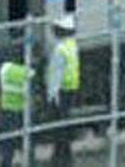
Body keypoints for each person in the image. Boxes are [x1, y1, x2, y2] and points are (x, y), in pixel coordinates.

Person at [46, 14, 81, 166]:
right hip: (71, 88)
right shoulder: (72, 45)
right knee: (64, 123)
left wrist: (51, 94)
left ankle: (61, 158)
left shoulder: (60, 49)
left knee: (59, 125)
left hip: (60, 91)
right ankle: (63, 156)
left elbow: (55, 73)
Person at [0, 55, 36, 167]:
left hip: (6, 109)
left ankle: (5, 164)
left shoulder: (5, 68)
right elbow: (31, 93)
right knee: (27, 142)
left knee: (7, 143)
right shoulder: (28, 72)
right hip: (22, 111)